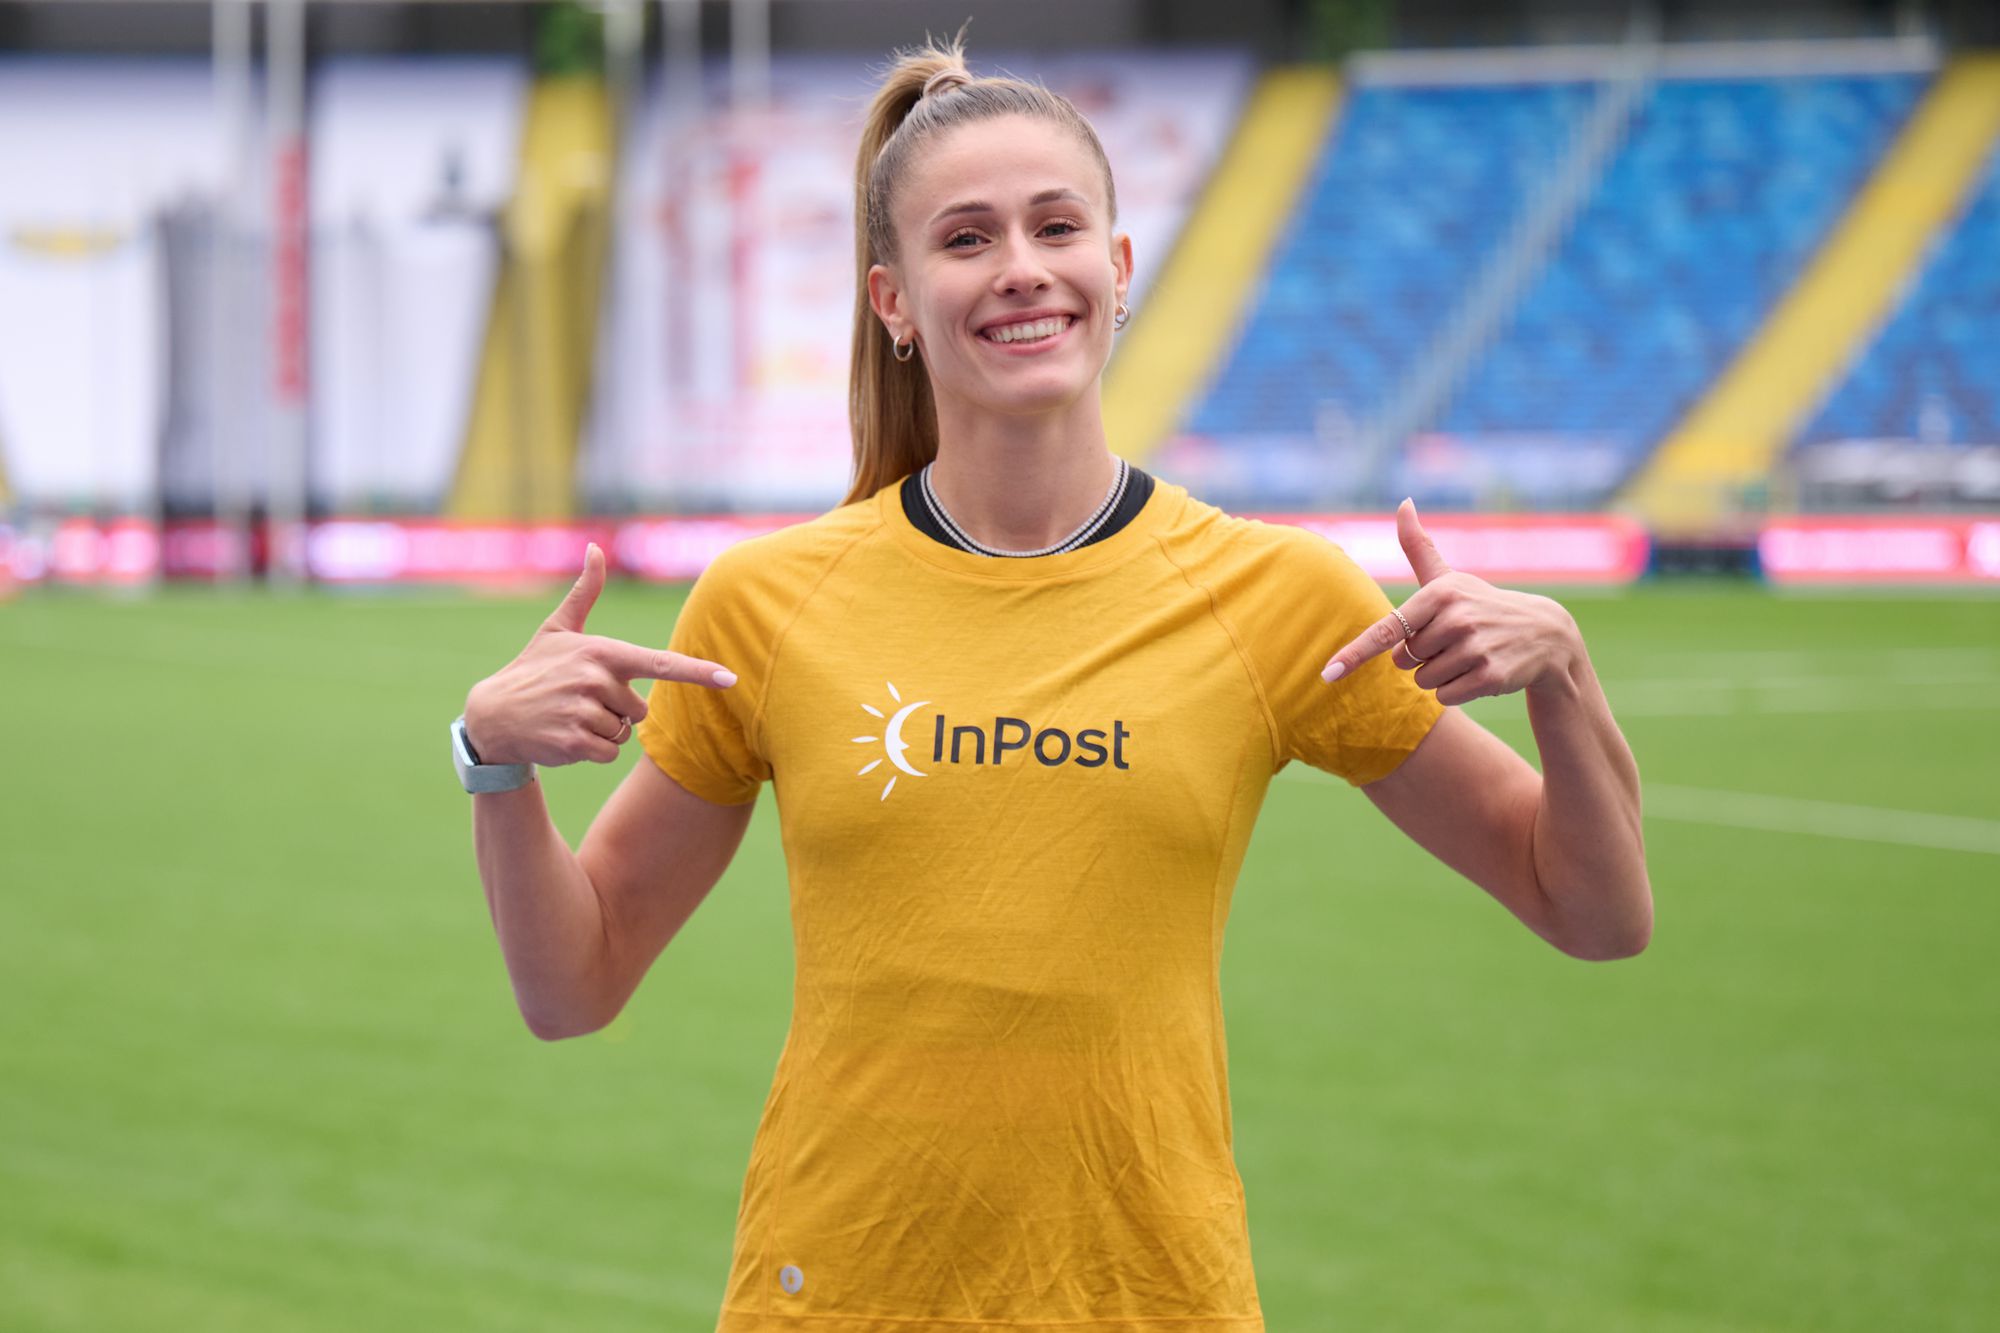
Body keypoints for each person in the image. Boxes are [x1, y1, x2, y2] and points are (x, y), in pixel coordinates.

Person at [453, 34, 1651, 1333]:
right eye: (966, 239)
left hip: (1150, 1300)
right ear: (893, 301)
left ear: (1118, 269)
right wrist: (491, 761)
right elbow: (574, 987)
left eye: (1056, 226)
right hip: (839, 1298)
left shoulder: (1278, 593)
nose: (1021, 266)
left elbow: (1592, 909)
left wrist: (1563, 674)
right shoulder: (767, 600)